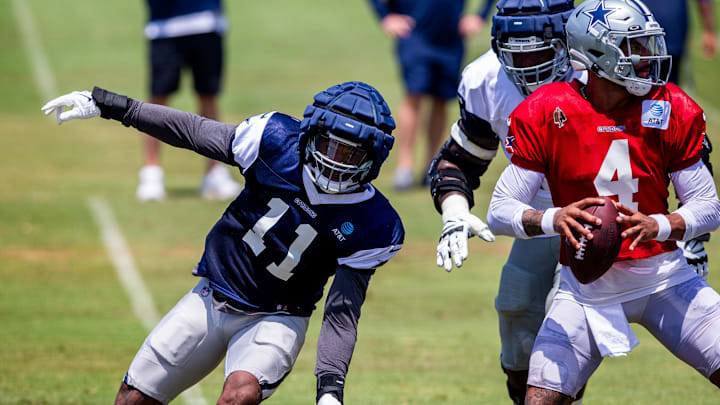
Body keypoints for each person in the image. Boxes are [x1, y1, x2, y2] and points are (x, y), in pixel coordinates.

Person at [41, 81, 405, 405]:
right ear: (312, 134)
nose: (334, 161)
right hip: (212, 296)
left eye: (350, 153)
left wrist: (329, 390)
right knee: (133, 398)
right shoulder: (274, 140)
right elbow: (193, 131)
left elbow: (342, 313)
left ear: (373, 158)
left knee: (240, 395)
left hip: (278, 316)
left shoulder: (374, 222)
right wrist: (115, 105)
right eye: (329, 145)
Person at [485, 0, 720, 403]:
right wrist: (553, 218)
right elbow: (499, 211)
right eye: (634, 47)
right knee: (540, 400)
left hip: (665, 277)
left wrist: (659, 224)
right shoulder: (546, 110)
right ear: (595, 55)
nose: (647, 58)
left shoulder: (671, 106)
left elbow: (708, 206)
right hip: (584, 289)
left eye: (646, 45)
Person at [429, 1, 586, 403]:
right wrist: (455, 212)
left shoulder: (598, 70)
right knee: (515, 310)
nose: (526, 66)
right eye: (515, 54)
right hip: (538, 219)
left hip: (599, 217)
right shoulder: (486, 79)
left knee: (562, 323)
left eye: (537, 52)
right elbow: (460, 161)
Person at [367, 0, 486, 190]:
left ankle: (431, 166)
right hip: (416, 35)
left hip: (451, 39)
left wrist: (480, 16)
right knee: (414, 96)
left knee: (441, 101)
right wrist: (386, 15)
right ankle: (404, 168)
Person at [139, 0, 240, 201]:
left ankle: (214, 173)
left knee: (209, 97)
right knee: (158, 100)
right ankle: (151, 174)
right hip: (164, 27)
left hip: (207, 22)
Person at [642, 0, 717, 85]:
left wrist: (709, 30)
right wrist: (709, 30)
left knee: (667, 85)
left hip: (671, 29)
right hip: (641, 27)